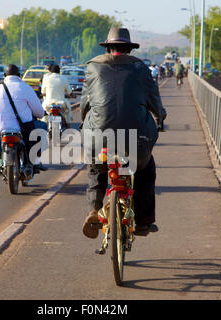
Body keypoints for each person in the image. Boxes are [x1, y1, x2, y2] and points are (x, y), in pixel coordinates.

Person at [80, 27, 167, 238]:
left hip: (100, 137)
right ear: (129, 49)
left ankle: (94, 209)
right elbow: (154, 102)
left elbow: (84, 105)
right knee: (146, 169)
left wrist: (87, 124)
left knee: (95, 167)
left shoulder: (92, 68)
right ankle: (144, 221)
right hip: (136, 140)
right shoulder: (141, 69)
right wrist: (160, 118)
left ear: (108, 48)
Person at [0, 64, 48, 175]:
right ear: (19, 75)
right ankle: (33, 161)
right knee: (41, 128)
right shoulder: (26, 88)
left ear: (4, 75)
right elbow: (39, 112)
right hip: (22, 128)